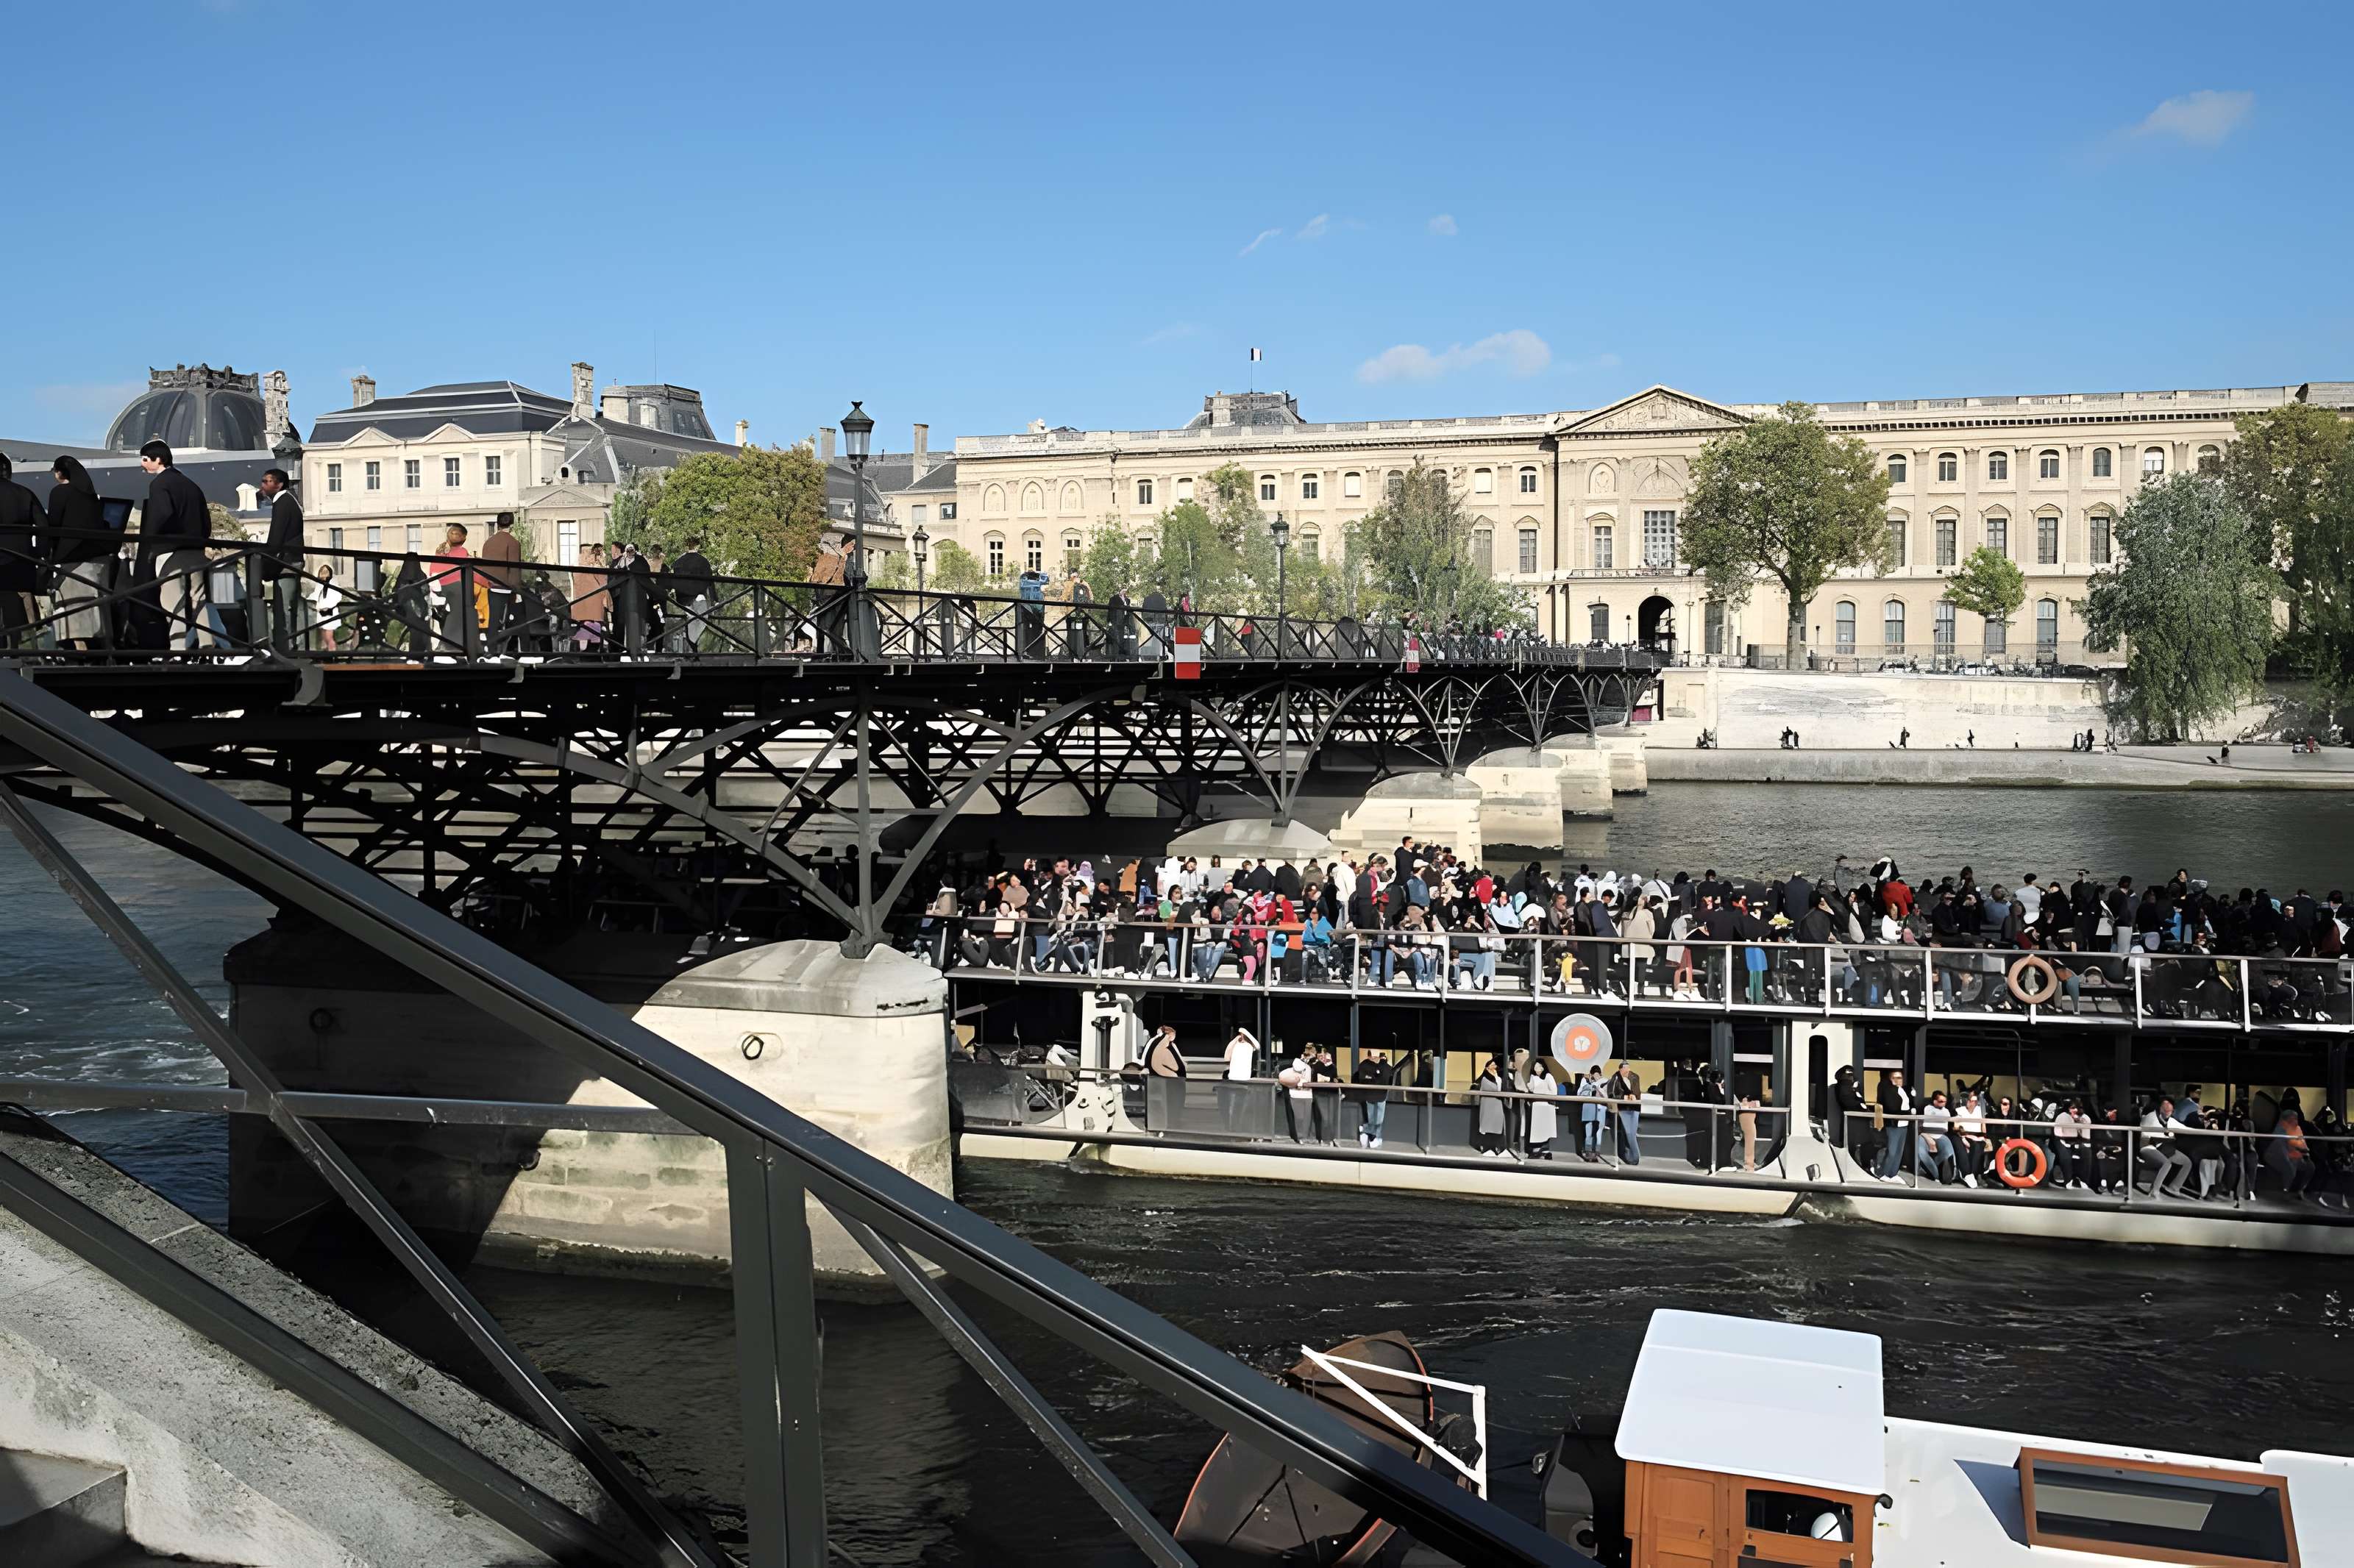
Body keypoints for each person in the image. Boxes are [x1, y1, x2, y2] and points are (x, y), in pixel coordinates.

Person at [134, 441, 213, 651]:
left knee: (173, 603)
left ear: (157, 460)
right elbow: (206, 520)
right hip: (196, 550)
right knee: (199, 600)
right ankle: (209, 646)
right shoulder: (190, 484)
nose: (142, 465)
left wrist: (150, 541)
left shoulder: (160, 484)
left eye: (145, 460)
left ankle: (178, 650)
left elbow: (161, 513)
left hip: (170, 551)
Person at [43, 457, 111, 652]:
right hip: (99, 558)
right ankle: (108, 652)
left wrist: (48, 554)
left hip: (73, 558)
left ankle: (81, 651)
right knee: (99, 607)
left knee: (76, 609)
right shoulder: (90, 494)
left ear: (60, 473)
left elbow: (53, 525)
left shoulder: (60, 493)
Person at [257, 466, 305, 652]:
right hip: (289, 560)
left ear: (279, 484)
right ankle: (289, 645)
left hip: (287, 562)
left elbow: (276, 537)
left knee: (285, 607)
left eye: (267, 481)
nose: (263, 485)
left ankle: (288, 647)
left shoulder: (283, 503)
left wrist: (265, 565)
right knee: (288, 606)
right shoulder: (288, 501)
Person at [0, 455, 40, 652]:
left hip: (5, 565)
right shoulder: (25, 493)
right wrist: (38, 553)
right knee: (20, 617)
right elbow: (44, 527)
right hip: (21, 564)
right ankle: (24, 652)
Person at [478, 512, 522, 655]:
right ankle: (516, 651)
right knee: (519, 620)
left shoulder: (488, 542)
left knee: (493, 621)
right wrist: (517, 589)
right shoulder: (513, 542)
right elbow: (514, 568)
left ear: (498, 524)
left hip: (491, 586)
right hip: (506, 587)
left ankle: (491, 650)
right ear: (512, 524)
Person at [428, 523, 473, 656]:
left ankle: (449, 644)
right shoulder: (462, 552)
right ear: (463, 538)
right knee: (460, 611)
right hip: (453, 585)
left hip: (437, 585)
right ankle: (449, 645)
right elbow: (459, 573)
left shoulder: (440, 549)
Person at [669, 535, 714, 653]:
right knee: (702, 621)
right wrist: (714, 600)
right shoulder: (703, 561)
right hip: (699, 597)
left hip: (684, 599)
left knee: (691, 622)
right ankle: (695, 647)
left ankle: (693, 648)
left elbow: (675, 582)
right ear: (697, 546)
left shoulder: (678, 562)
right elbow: (709, 582)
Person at [1351, 1047, 1394, 1150]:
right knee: (1372, 1119)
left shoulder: (1385, 1066)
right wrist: (1374, 1078)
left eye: (1376, 1056)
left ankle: (1370, 1133)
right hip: (1369, 1095)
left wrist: (1374, 1078)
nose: (1374, 1058)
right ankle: (1372, 1137)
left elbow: (1389, 1078)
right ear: (1369, 1056)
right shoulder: (1364, 1065)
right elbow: (1363, 1078)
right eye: (1373, 1056)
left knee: (1379, 1119)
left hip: (1381, 1096)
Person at [572, 542, 611, 652]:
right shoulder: (595, 566)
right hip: (593, 604)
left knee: (586, 628)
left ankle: (584, 653)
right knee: (595, 629)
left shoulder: (577, 567)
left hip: (583, 604)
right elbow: (603, 582)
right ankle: (593, 653)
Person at [1219, 1027, 1258, 1136]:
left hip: (1244, 1080)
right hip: (1233, 1080)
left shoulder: (1249, 1047)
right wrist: (1235, 1040)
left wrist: (1245, 1033)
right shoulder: (1235, 1046)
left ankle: (1238, 1129)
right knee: (1232, 1106)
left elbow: (1257, 1045)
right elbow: (1227, 1057)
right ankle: (1232, 1129)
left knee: (1241, 1107)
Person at [1607, 1061, 1643, 1164]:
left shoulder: (1635, 1077)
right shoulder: (1615, 1078)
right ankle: (1635, 1157)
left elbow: (1637, 1091)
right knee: (1628, 1133)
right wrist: (1624, 1097)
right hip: (1624, 1108)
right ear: (1620, 1069)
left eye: (1628, 1068)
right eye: (1625, 1069)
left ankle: (1633, 1157)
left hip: (1635, 1107)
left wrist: (1634, 1095)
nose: (1627, 1070)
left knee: (1632, 1133)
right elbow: (1612, 1094)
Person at [1473, 1058, 1510, 1157]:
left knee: (1498, 1127)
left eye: (1495, 1065)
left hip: (1498, 1104)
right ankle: (1487, 1148)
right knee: (1488, 1128)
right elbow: (1493, 1089)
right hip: (1488, 1105)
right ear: (1487, 1067)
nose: (1493, 1067)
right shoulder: (1485, 1079)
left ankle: (1499, 1148)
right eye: (1491, 1065)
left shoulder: (1499, 1078)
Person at [307, 566, 345, 653]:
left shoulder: (334, 583)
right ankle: (326, 656)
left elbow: (338, 596)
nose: (324, 573)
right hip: (321, 614)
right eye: (322, 571)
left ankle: (332, 654)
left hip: (330, 613)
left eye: (326, 571)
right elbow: (316, 595)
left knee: (329, 637)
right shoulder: (319, 584)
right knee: (324, 637)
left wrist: (328, 606)